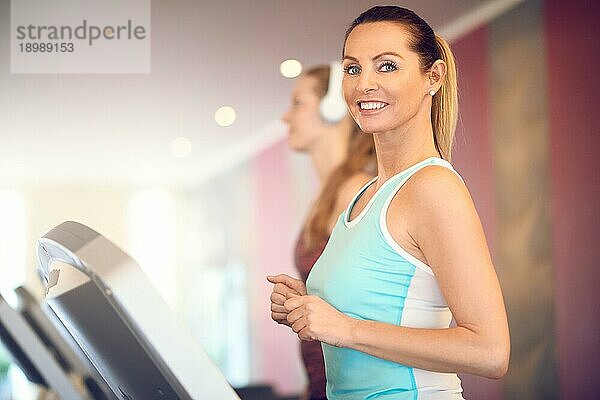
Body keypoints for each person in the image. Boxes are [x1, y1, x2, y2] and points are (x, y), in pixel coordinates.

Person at [268, 6, 510, 399]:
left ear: (433, 76)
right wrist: (307, 306)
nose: (363, 84)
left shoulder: (433, 187)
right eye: (352, 68)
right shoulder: (364, 197)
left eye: (386, 67)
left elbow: (490, 351)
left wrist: (345, 329)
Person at [274, 64, 375, 400]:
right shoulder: (323, 198)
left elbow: (369, 306)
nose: (286, 117)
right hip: (324, 382)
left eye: (297, 103)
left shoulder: (356, 191)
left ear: (334, 107)